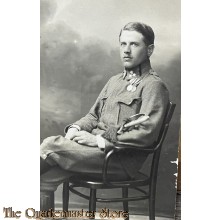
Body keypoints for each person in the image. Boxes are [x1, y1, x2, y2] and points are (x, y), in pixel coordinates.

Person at [40, 22, 169, 179]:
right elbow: (93, 116)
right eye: (123, 44)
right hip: (95, 151)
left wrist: (98, 140)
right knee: (47, 177)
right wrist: (76, 128)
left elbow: (145, 133)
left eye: (134, 44)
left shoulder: (153, 85)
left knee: (50, 145)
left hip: (118, 158)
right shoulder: (114, 81)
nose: (126, 51)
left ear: (149, 50)